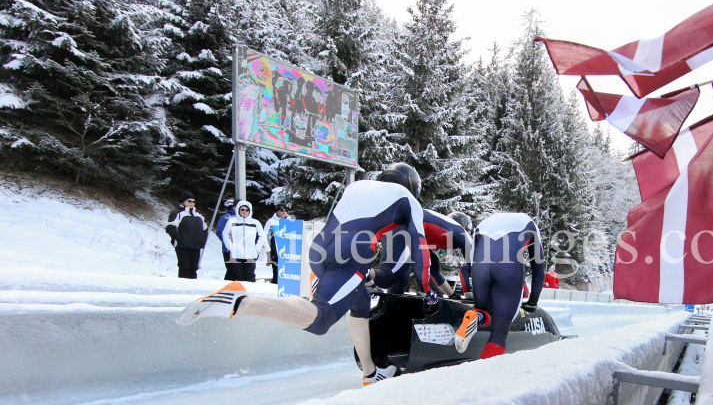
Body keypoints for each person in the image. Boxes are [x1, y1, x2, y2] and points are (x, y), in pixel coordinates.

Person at [178, 163, 432, 387]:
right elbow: (420, 251)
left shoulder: (358, 186)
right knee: (321, 318)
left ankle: (370, 372)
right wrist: (427, 290)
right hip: (350, 258)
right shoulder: (407, 199)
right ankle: (240, 301)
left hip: (320, 249)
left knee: (360, 301)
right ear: (411, 185)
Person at [454, 212, 546, 360]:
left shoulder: (485, 221)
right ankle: (486, 377)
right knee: (499, 335)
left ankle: (475, 317)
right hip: (508, 266)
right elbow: (539, 270)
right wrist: (533, 301)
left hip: (481, 267)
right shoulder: (530, 223)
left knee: (485, 312)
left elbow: (471, 261)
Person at [166, 191, 208, 279]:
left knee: (193, 269)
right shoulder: (177, 213)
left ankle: (193, 290)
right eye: (189, 201)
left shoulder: (199, 215)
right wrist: (180, 239)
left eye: (193, 201)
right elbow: (170, 227)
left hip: (196, 246)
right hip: (183, 247)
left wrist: (202, 240)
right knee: (184, 269)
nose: (191, 203)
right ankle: (183, 290)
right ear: (183, 201)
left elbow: (205, 229)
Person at [222, 201, 266, 282]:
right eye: (242, 209)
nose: (244, 212)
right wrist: (230, 247)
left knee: (250, 275)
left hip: (250, 254)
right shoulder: (231, 221)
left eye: (247, 210)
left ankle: (250, 293)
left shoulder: (255, 222)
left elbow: (262, 236)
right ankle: (240, 293)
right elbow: (225, 234)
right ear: (238, 210)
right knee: (238, 276)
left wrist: (257, 248)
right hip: (237, 254)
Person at [263, 203, 289, 284]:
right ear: (277, 211)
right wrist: (268, 249)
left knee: (287, 271)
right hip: (275, 250)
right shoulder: (271, 222)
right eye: (281, 210)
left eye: (285, 211)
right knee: (277, 271)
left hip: (288, 251)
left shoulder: (291, 222)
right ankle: (275, 286)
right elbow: (264, 236)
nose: (284, 212)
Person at [216, 199, 238, 281]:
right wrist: (227, 242)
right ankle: (226, 287)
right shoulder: (225, 218)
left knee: (239, 271)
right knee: (231, 270)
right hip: (228, 249)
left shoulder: (242, 218)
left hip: (240, 249)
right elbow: (219, 231)